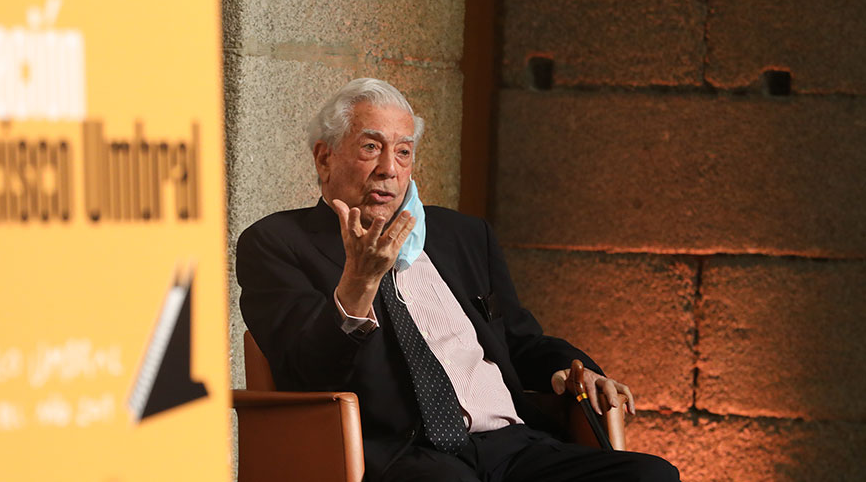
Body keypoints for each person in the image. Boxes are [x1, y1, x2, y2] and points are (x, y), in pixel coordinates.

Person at [237, 78, 679, 482]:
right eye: (371, 147)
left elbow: (521, 340)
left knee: (650, 476)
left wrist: (573, 370)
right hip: (403, 454)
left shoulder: (460, 235)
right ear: (324, 157)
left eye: (404, 151)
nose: (389, 168)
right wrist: (358, 282)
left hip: (512, 448)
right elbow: (304, 369)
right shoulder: (277, 243)